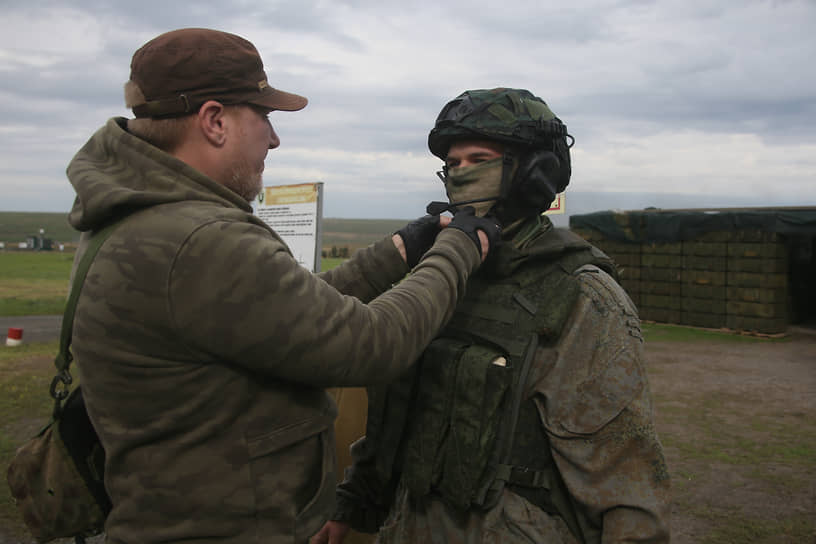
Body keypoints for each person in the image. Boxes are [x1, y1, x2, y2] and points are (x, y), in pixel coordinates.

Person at [66, 29, 500, 544]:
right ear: (214, 121)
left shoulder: (135, 219)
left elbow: (294, 308)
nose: (273, 138)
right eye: (264, 117)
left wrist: (403, 249)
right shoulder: (202, 239)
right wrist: (461, 248)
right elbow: (372, 342)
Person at [313, 88, 671, 543]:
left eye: (477, 159)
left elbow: (624, 476)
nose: (461, 174)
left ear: (533, 172)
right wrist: (354, 504)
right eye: (453, 164)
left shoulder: (580, 296)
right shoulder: (440, 278)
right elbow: (396, 417)